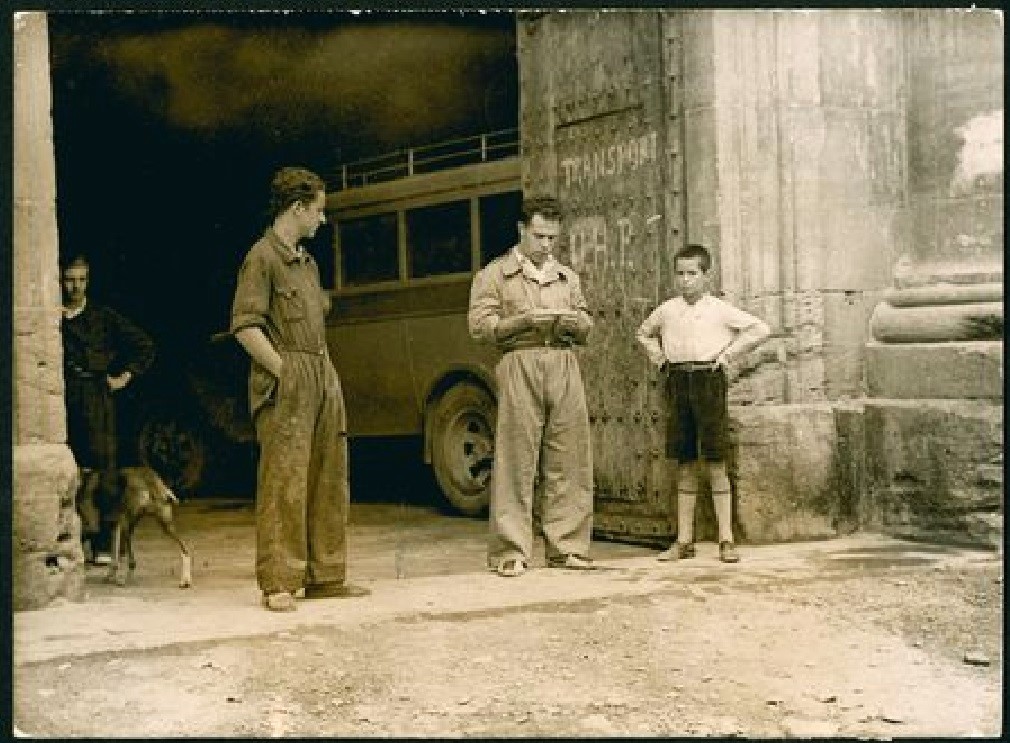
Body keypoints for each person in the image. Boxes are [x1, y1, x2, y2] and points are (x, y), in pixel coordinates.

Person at [230, 166, 369, 612]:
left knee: (329, 476)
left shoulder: (307, 263)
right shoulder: (261, 258)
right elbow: (246, 329)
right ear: (297, 208)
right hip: (286, 380)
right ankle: (279, 582)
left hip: (321, 375)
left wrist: (327, 376)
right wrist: (284, 372)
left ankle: (325, 575)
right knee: (284, 480)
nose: (322, 221)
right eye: (319, 211)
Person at [468, 195, 595, 577]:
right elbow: (479, 327)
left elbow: (587, 321)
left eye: (552, 238)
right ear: (521, 230)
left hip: (563, 362)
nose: (546, 245)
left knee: (569, 457)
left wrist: (575, 321)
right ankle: (511, 551)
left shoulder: (567, 277)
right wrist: (519, 321)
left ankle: (567, 546)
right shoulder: (494, 275)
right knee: (515, 459)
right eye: (539, 236)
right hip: (519, 361)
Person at [636, 244, 770, 563]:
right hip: (678, 381)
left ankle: (726, 539)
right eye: (680, 274)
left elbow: (760, 329)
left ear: (706, 275)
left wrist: (726, 357)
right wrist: (660, 359)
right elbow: (642, 333)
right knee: (684, 461)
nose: (685, 281)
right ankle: (684, 541)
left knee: (715, 459)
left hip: (710, 380)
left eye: (692, 274)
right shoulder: (667, 310)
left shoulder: (719, 309)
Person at [61, 254, 155, 565]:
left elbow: (144, 345)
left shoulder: (102, 317)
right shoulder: (51, 317)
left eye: (82, 280)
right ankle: (68, 543)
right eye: (69, 280)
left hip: (96, 400)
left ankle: (104, 545)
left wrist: (123, 378)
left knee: (104, 472)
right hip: (62, 399)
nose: (75, 287)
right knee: (67, 472)